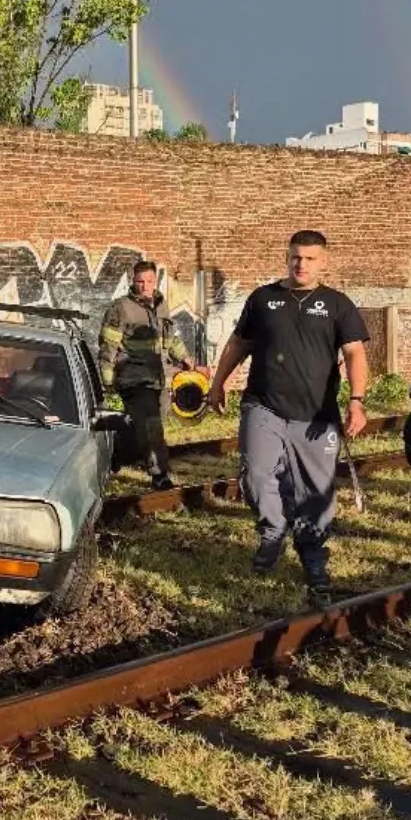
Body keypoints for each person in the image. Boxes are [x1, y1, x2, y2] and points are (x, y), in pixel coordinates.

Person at [206, 230, 369, 607]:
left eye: (310, 259)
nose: (302, 264)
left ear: (323, 262)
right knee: (257, 474)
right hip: (263, 405)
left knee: (315, 491)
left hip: (316, 415)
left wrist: (356, 401)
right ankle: (273, 529)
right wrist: (218, 383)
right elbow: (239, 344)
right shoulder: (263, 299)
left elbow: (356, 354)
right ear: (287, 257)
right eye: (296, 257)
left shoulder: (337, 305)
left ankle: (313, 558)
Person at [99, 260, 193, 490]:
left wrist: (185, 357)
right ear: (133, 282)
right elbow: (108, 344)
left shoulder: (161, 306)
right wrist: (108, 378)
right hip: (133, 378)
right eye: (140, 281)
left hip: (158, 378)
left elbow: (171, 338)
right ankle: (160, 475)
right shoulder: (120, 308)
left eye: (149, 281)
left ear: (155, 281)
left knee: (144, 423)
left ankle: (116, 454)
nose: (145, 286)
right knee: (151, 427)